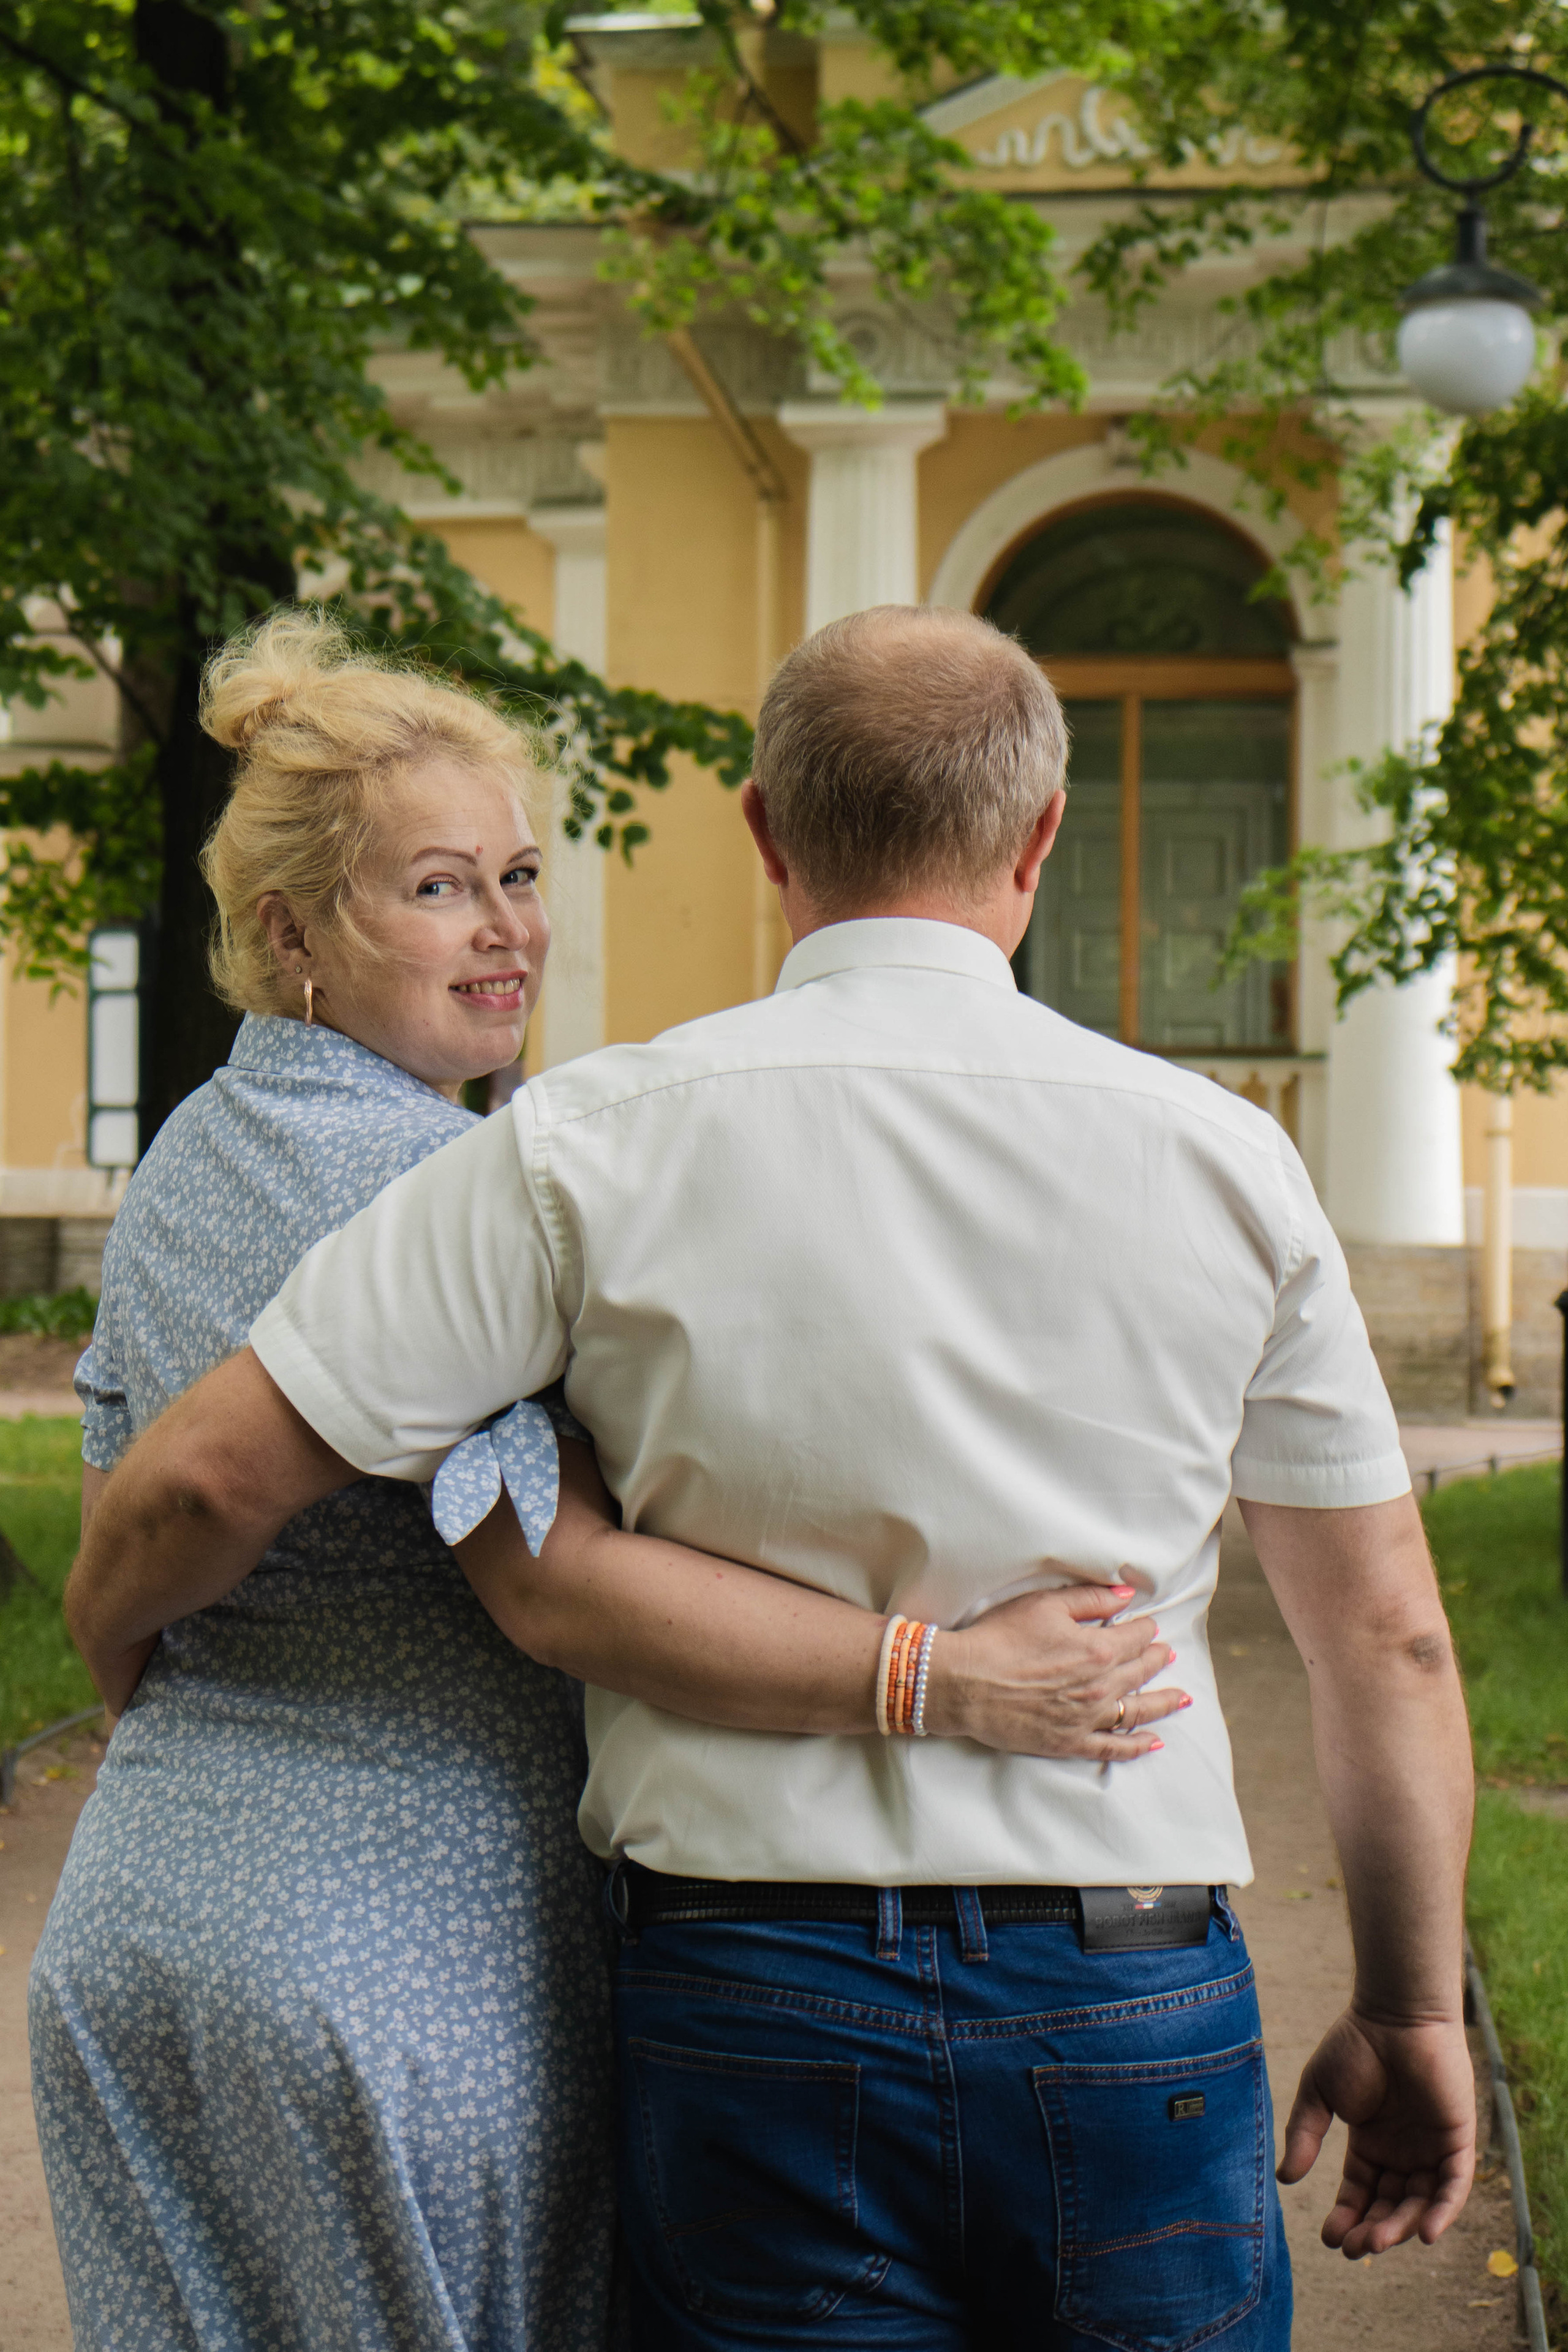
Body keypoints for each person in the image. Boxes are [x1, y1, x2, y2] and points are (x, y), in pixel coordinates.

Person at [67, 605, 1476, 2352]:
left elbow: (207, 1474)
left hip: (752, 1990)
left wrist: (111, 1646)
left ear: (764, 832)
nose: (501, 920)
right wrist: (1414, 2007)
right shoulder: (1227, 1158)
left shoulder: (578, 1149)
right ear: (1044, 835)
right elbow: (1390, 1643)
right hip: (1123, 1983)